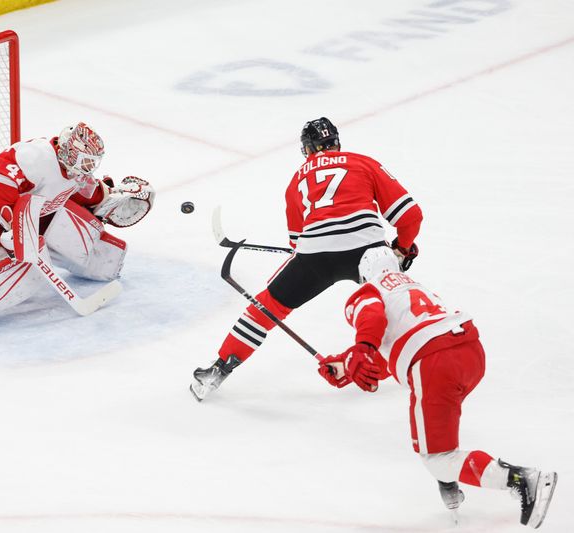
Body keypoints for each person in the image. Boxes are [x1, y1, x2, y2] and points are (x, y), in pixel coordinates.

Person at [318, 247, 557, 528]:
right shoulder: (413, 288)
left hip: (433, 362)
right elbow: (396, 349)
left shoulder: (367, 291)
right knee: (439, 435)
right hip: (469, 352)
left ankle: (521, 479)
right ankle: (450, 481)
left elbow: (372, 317)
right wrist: (348, 364)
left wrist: (361, 348)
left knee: (437, 457)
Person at [191, 117, 422, 401]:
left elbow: (297, 244)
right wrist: (402, 248)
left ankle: (217, 371)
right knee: (394, 308)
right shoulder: (363, 162)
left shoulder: (297, 179)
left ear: (308, 149)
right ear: (336, 142)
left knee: (266, 307)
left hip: (315, 254)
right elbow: (410, 216)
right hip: (369, 249)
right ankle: (413, 356)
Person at [0, 122, 154, 334]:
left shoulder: (73, 171)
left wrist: (109, 198)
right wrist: (14, 225)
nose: (88, 169)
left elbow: (87, 193)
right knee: (14, 271)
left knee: (64, 220)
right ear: (71, 153)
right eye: (85, 162)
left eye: (92, 163)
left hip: (24, 209)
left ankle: (103, 263)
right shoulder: (36, 157)